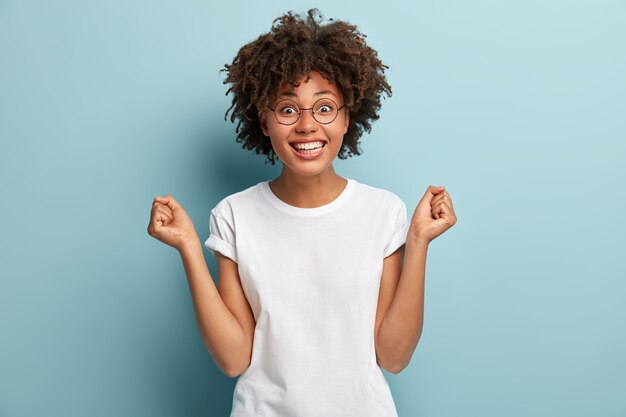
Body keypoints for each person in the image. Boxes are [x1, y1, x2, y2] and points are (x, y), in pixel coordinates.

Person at [147, 8, 457, 417]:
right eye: (288, 109)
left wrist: (417, 242)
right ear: (264, 120)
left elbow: (394, 357)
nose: (307, 125)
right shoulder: (233, 215)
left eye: (325, 108)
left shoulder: (383, 211)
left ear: (348, 117)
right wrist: (188, 246)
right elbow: (234, 359)